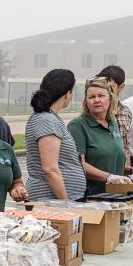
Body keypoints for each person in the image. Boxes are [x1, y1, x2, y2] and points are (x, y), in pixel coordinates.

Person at [24, 69, 86, 201]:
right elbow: (50, 169)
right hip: (51, 202)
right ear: (67, 93)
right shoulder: (47, 120)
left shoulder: (49, 118)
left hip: (56, 201)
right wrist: (65, 203)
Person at [68, 77, 131, 197]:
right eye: (91, 97)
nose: (96, 100)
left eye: (101, 96)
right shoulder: (78, 126)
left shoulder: (113, 123)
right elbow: (77, 164)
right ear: (86, 101)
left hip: (117, 196)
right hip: (92, 198)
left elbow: (110, 159)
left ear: (111, 98)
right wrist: (108, 177)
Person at [97, 65, 132, 160]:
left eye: (110, 86)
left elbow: (126, 147)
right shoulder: (96, 109)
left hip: (121, 170)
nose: (105, 89)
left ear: (121, 87)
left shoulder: (126, 111)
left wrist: (128, 172)